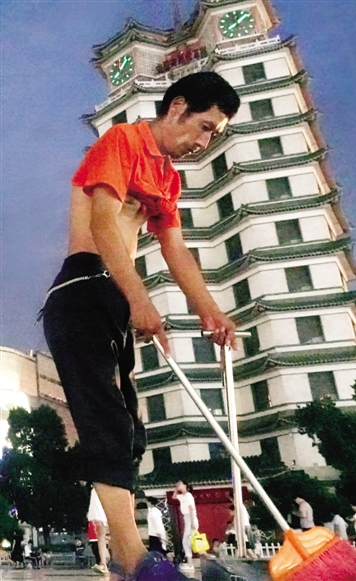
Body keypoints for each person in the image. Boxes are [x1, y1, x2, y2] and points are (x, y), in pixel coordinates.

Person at [42, 71, 240, 581]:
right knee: (106, 420)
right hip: (84, 287)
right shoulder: (122, 141)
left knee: (129, 429)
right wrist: (139, 299)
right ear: (176, 107)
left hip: (114, 292)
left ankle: (133, 561)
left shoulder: (167, 178)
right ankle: (134, 561)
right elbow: (103, 223)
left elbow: (175, 248)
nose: (203, 143)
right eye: (204, 127)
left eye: (214, 135)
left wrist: (210, 310)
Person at [173, 480, 199, 572]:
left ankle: (190, 563)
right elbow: (174, 497)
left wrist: (193, 521)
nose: (178, 485)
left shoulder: (188, 495)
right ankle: (190, 562)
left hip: (190, 518)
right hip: (187, 518)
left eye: (180, 484)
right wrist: (176, 488)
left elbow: (191, 508)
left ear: (185, 485)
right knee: (189, 540)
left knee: (186, 541)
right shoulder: (183, 496)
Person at [87, 486, 109, 575]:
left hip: (108, 491)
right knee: (100, 531)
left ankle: (106, 563)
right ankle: (103, 563)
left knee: (104, 532)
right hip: (99, 490)